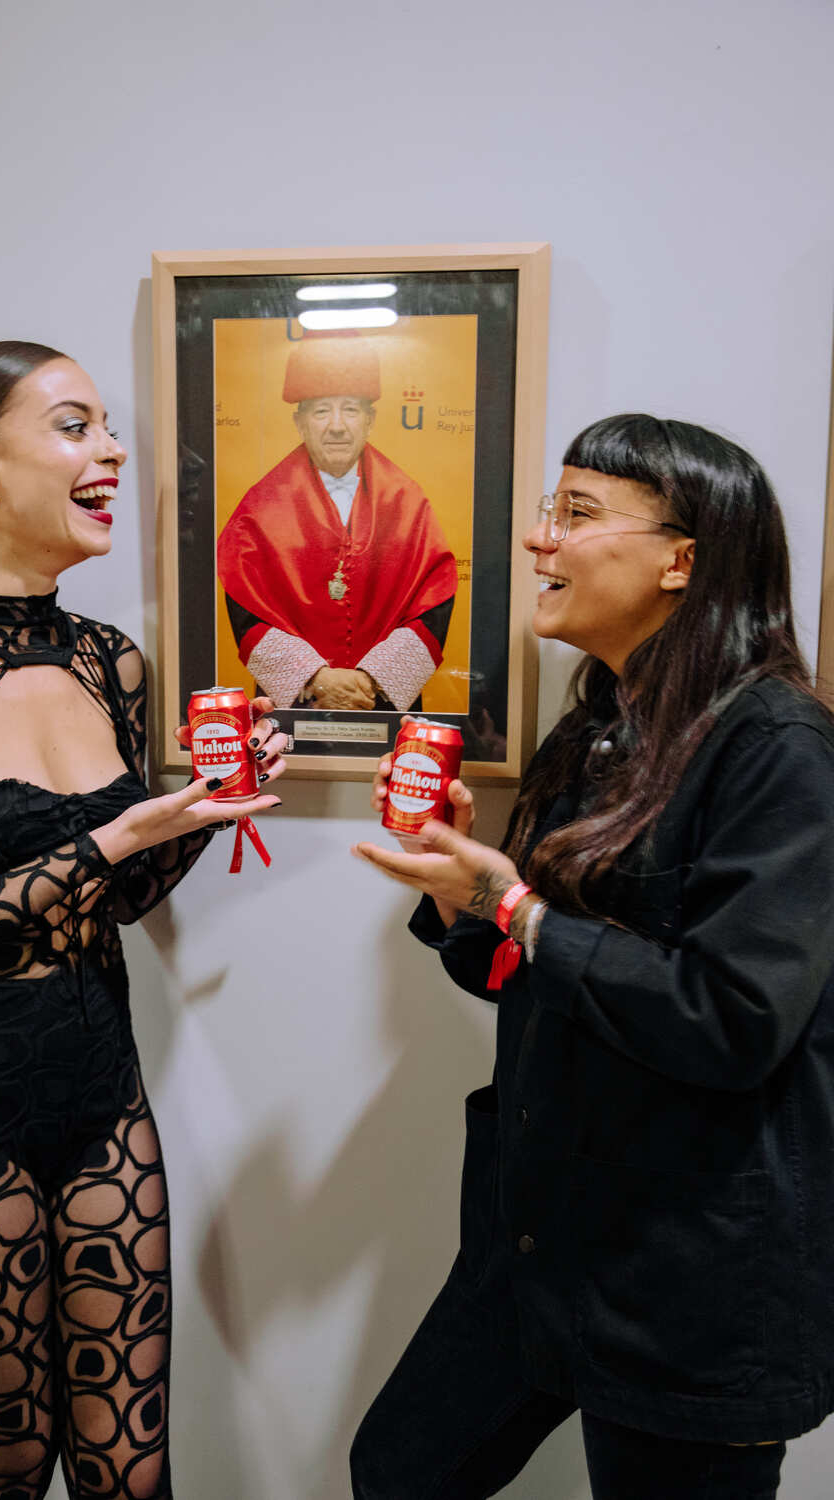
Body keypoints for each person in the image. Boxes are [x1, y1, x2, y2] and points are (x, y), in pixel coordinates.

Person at [348, 413, 834, 1500]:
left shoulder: (779, 747)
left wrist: (513, 904)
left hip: (688, 1268)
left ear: (680, 561)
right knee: (396, 1472)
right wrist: (464, 898)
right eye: (547, 511)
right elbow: (516, 976)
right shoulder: (594, 730)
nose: (539, 539)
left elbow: (731, 1018)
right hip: (539, 1237)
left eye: (575, 513)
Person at [0, 341, 287, 1500]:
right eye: (76, 426)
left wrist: (201, 811)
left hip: (101, 1101)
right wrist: (113, 837)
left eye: (107, 427)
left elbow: (122, 899)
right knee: (5, 1467)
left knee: (130, 1475)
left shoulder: (109, 662)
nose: (114, 452)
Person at [216, 330, 457, 712]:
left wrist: (370, 681)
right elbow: (247, 610)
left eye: (350, 410)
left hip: (379, 703)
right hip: (299, 703)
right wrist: (316, 679)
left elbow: (435, 599)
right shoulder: (261, 506)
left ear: (370, 420)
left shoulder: (407, 500)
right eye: (321, 411)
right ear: (299, 422)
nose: (337, 425)